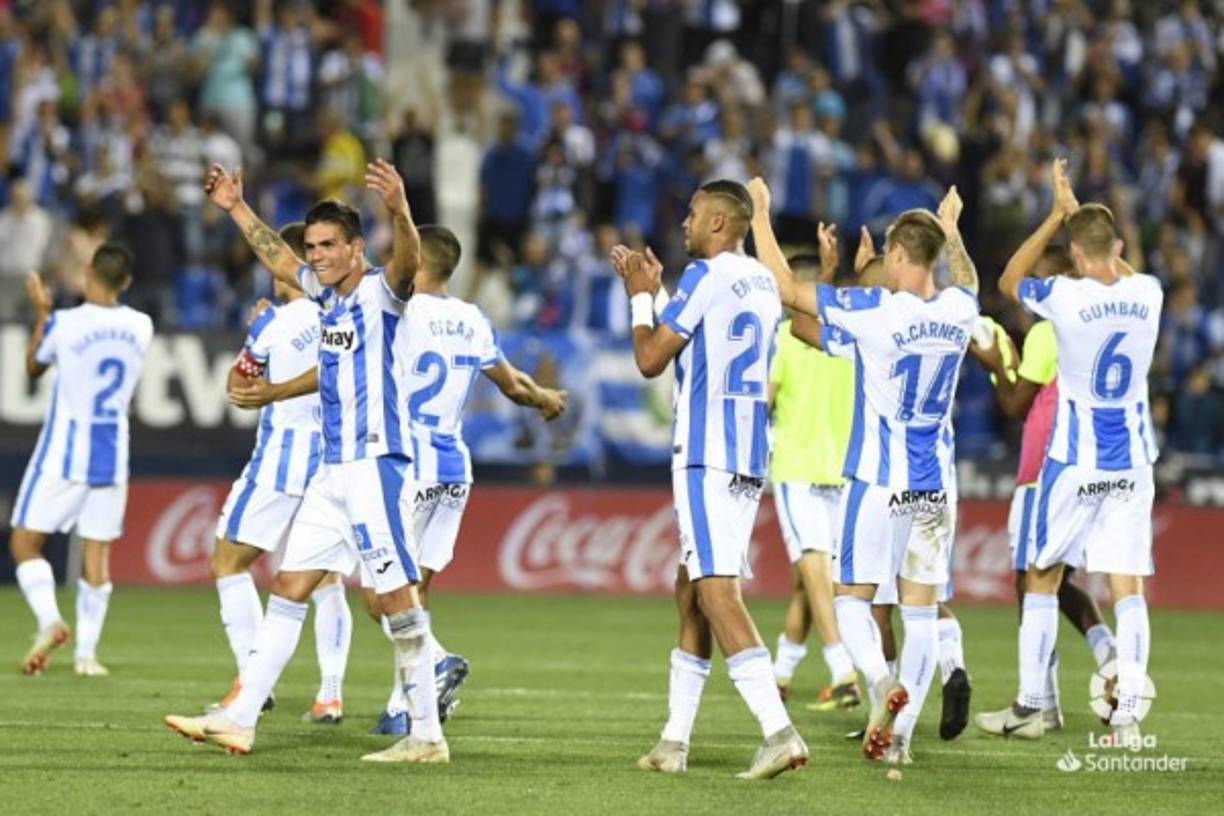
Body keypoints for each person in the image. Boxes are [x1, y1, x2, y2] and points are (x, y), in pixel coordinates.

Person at [165, 159, 448, 764]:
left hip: (377, 467)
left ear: (354, 247)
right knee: (290, 587)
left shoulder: (383, 292)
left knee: (396, 600)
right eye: (313, 246)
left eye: (327, 246)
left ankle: (427, 734)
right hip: (331, 471)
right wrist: (236, 209)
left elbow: (409, 261)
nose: (315, 256)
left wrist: (398, 208)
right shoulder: (325, 298)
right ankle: (240, 719)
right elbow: (277, 257)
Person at [747, 175, 980, 766]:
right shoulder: (957, 311)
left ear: (898, 255)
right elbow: (969, 281)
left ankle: (880, 684)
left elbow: (784, 290)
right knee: (922, 611)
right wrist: (953, 231)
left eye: (889, 253)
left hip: (877, 481)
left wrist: (761, 216)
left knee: (852, 598)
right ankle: (899, 741)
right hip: (933, 486)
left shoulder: (877, 310)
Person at [611, 179, 809, 780]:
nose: (684, 224)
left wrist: (641, 298)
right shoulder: (762, 284)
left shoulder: (705, 276)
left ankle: (779, 732)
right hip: (749, 455)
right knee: (691, 588)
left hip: (705, 454)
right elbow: (710, 336)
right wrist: (663, 289)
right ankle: (674, 741)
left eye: (693, 214)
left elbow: (650, 360)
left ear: (720, 223)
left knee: (717, 592)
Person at [978, 159, 1161, 742]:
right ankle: (1127, 717)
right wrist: (1092, 229)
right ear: (1120, 246)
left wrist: (1058, 215)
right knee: (1127, 587)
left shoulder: (1065, 298)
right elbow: (1120, 269)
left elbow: (1008, 281)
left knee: (1041, 573)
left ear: (1075, 255)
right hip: (1132, 461)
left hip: (1075, 460)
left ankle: (1033, 703)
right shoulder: (1149, 292)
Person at [362, 225, 568, 739]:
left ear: (412, 261)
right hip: (453, 469)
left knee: (380, 593)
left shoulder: (397, 308)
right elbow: (513, 384)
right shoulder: (472, 319)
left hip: (406, 467)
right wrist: (545, 398)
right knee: (417, 589)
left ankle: (436, 658)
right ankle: (404, 706)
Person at [208, 222, 353, 726]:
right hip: (334, 462)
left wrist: (256, 333)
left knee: (227, 560)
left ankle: (251, 683)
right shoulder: (342, 310)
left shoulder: (275, 321)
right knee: (327, 576)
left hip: (281, 460)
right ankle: (330, 693)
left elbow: (237, 386)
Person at [970, 246, 1119, 734]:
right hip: (1089, 463)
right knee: (1057, 580)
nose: (1026, 297)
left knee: (1031, 582)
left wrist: (993, 363)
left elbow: (1015, 403)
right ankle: (1106, 652)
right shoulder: (1090, 329)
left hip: (1043, 471)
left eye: (1037, 281)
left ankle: (1038, 704)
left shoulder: (1045, 332)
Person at [11, 246, 154, 676]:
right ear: (126, 282)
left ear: (87, 273)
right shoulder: (141, 325)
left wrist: (41, 312)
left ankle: (50, 619)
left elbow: (34, 367)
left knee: (24, 543)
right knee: (97, 553)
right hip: (113, 453)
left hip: (63, 451)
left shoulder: (65, 323)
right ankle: (87, 656)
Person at [766, 232, 858, 712]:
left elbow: (765, 399)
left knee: (814, 571)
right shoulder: (846, 337)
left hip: (798, 468)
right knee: (812, 577)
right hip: (843, 470)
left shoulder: (783, 337)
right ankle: (780, 674)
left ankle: (843, 669)